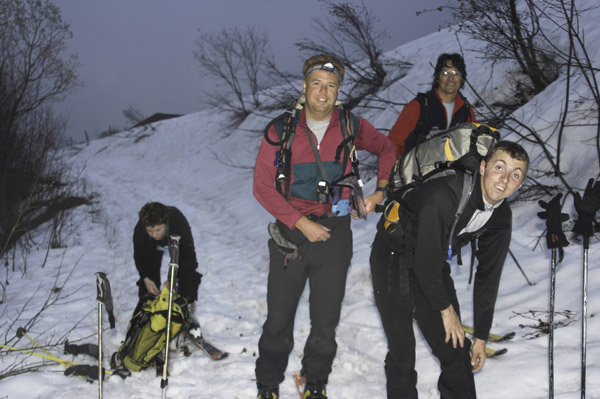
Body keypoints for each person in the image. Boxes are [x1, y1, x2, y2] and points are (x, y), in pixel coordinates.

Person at [253, 54, 396, 399]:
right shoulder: (281, 129)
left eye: (331, 86)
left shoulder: (350, 125)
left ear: (338, 91)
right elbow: (262, 186)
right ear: (304, 87)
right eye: (317, 83)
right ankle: (268, 384)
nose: (323, 91)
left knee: (325, 320)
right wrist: (300, 223)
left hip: (335, 233)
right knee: (279, 319)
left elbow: (388, 149)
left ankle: (316, 381)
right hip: (291, 234)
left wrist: (379, 192)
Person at [369, 141, 529, 398]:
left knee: (455, 349)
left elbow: (488, 276)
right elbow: (425, 262)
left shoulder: (501, 217)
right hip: (392, 254)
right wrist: (446, 310)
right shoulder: (446, 194)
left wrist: (481, 336)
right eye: (500, 167)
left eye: (515, 174)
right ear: (484, 167)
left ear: (520, 185)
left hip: (430, 261)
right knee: (403, 352)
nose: (505, 178)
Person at [132, 202, 203, 338]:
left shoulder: (178, 223)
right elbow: (139, 256)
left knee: (188, 275)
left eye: (158, 230)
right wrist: (146, 278)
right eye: (150, 231)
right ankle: (147, 312)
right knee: (149, 280)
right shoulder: (141, 229)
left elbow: (188, 258)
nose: (154, 234)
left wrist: (173, 279)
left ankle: (186, 312)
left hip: (176, 241)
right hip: (151, 248)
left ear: (165, 224)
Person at [388, 53, 477, 157]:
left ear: (462, 79)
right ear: (438, 77)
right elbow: (392, 145)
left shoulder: (465, 109)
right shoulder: (419, 106)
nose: (450, 78)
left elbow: (474, 146)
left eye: (456, 73)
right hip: (415, 171)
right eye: (445, 73)